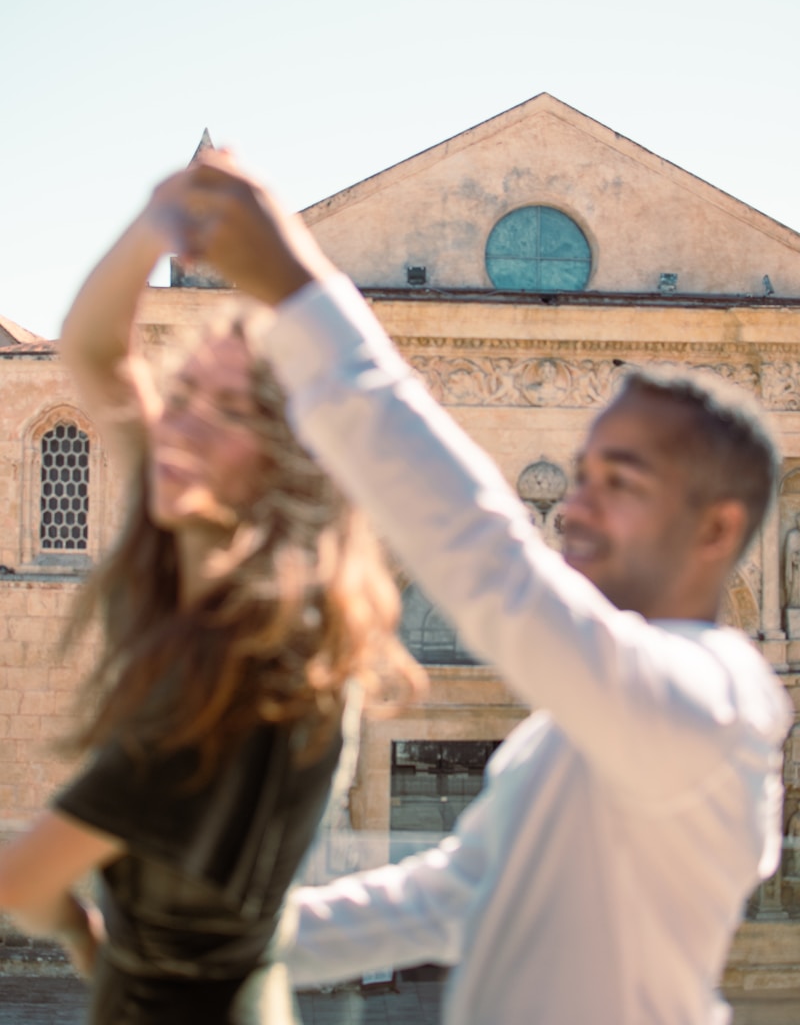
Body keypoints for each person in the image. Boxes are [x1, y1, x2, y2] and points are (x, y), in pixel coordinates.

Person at [135, 150, 794, 1025]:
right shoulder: (576, 728)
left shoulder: (718, 697)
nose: (569, 507)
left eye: (619, 482)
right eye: (581, 473)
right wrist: (186, 947)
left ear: (717, 529)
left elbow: (492, 573)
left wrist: (302, 295)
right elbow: (446, 896)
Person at [0, 181, 421, 1024]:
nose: (181, 425)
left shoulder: (249, 660)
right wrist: (157, 221)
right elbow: (96, 351)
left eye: (225, 411)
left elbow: (24, 880)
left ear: (282, 463)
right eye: (182, 395)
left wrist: (85, 938)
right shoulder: (185, 541)